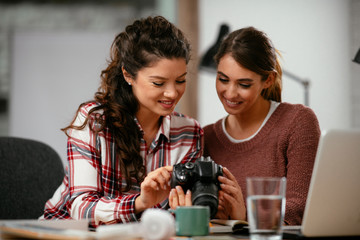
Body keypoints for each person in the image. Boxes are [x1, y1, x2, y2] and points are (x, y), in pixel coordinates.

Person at [41, 16, 203, 227]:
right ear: (128, 75)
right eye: (158, 82)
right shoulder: (95, 122)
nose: (172, 93)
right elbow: (81, 209)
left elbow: (178, 214)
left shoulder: (189, 133)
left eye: (180, 80)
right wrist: (140, 202)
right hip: (63, 232)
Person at [203, 26, 321, 225]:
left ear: (268, 80)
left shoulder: (298, 122)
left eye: (244, 84)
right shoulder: (206, 137)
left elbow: (299, 209)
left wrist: (244, 215)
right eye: (223, 79)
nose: (230, 93)